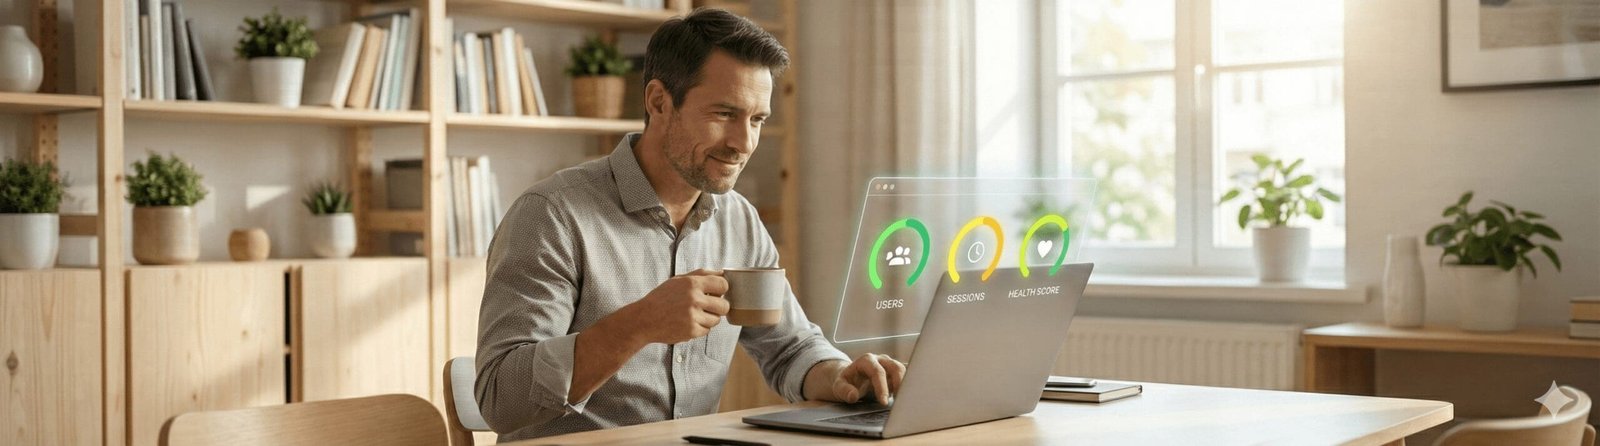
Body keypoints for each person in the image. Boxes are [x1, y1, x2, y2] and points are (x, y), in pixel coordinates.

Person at [475, 8, 906, 441]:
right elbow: (499, 398)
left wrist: (840, 377)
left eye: (757, 119)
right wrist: (638, 323)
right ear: (659, 102)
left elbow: (790, 348)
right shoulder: (551, 215)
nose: (744, 143)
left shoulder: (739, 220)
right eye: (724, 113)